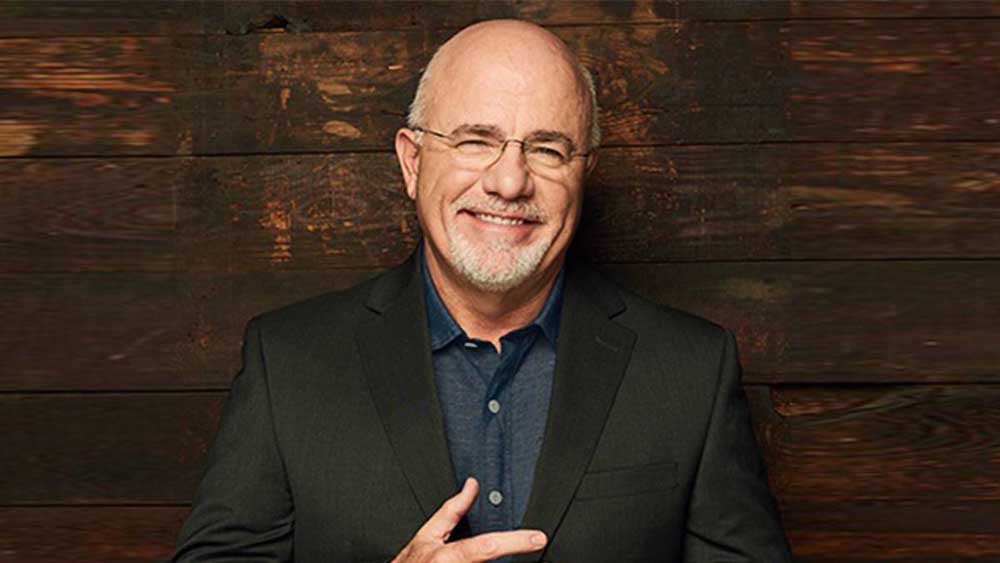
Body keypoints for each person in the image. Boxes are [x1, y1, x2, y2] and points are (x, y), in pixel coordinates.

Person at [172, 19, 793, 563]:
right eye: (475, 141)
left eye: (548, 150)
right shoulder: (288, 362)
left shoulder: (691, 370)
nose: (510, 181)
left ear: (584, 172)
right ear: (412, 161)